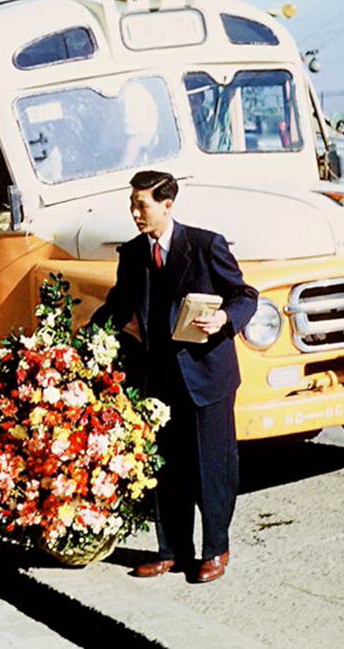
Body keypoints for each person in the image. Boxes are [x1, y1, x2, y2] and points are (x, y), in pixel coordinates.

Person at [91, 170, 257, 584]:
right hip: (157, 379)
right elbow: (116, 307)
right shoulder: (132, 254)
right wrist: (79, 342)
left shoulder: (204, 245)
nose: (135, 213)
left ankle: (215, 548)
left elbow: (245, 296)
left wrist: (222, 318)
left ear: (168, 204)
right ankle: (171, 551)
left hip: (207, 377)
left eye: (142, 205)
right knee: (165, 468)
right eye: (132, 205)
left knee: (211, 468)